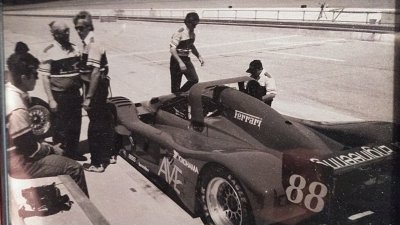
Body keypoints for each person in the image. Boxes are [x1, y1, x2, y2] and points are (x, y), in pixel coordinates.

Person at [5, 42, 89, 196]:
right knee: (75, 168)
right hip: (19, 163)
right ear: (24, 78)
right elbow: (30, 150)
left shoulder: (9, 92)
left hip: (11, 155)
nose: (37, 79)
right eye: (35, 75)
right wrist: (51, 149)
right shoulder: (17, 109)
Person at [73, 11, 115, 172]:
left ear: (89, 26)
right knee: (102, 124)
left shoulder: (92, 42)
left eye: (82, 27)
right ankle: (106, 157)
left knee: (95, 127)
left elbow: (95, 72)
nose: (78, 30)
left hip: (96, 90)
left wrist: (89, 97)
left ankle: (97, 163)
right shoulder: (87, 42)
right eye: (76, 27)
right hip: (96, 88)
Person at [39, 21, 86, 161]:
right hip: (59, 96)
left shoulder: (75, 48)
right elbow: (45, 78)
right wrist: (51, 99)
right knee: (61, 127)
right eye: (64, 32)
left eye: (68, 31)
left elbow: (81, 74)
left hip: (75, 94)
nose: (67, 34)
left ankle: (72, 152)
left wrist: (83, 93)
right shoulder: (48, 51)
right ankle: (60, 156)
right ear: (55, 34)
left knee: (76, 124)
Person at [169, 12, 204, 93]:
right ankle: (177, 96)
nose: (195, 27)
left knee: (194, 79)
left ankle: (179, 94)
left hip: (186, 59)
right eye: (193, 24)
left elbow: (191, 45)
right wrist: (180, 62)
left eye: (196, 25)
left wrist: (199, 56)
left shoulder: (192, 33)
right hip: (176, 61)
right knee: (175, 86)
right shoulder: (180, 32)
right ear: (187, 22)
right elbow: (172, 49)